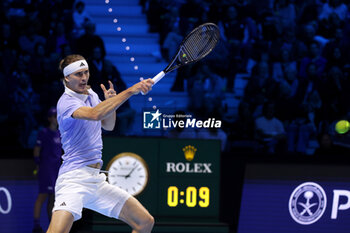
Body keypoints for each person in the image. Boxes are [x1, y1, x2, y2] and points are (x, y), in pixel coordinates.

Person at [46, 54, 154, 233]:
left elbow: (108, 125)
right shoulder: (66, 102)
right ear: (67, 77)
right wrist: (130, 91)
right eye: (78, 74)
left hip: (96, 180)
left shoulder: (91, 94)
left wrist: (110, 103)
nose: (84, 77)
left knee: (144, 222)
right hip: (74, 179)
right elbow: (95, 114)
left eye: (86, 72)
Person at [33, 107, 62, 233]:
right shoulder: (44, 133)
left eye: (57, 116)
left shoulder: (61, 133)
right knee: (42, 196)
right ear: (50, 118)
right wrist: (37, 163)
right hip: (46, 168)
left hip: (57, 169)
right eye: (54, 116)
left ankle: (53, 225)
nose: (56, 119)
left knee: (54, 198)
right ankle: (36, 225)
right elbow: (37, 149)